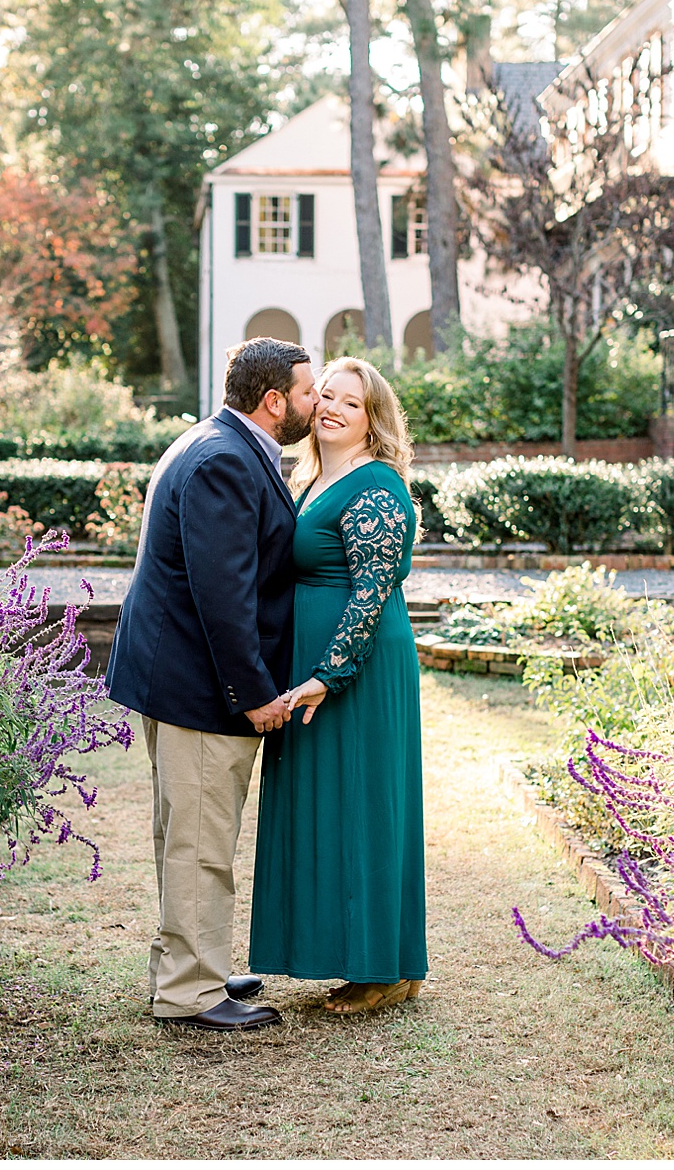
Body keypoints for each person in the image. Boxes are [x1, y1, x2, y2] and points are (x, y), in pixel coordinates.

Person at [105, 336, 319, 1032]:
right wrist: (253, 693)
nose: (317, 402)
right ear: (275, 401)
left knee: (188, 835)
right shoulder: (225, 460)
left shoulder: (218, 443)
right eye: (309, 392)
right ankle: (191, 992)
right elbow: (223, 596)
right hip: (197, 687)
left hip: (181, 677)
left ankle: (190, 965)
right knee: (199, 841)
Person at [248, 356, 427, 1013]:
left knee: (365, 806)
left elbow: (371, 592)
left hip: (359, 668)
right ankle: (367, 956)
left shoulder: (374, 484)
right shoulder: (315, 477)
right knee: (332, 805)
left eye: (352, 402)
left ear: (373, 420)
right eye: (326, 395)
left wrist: (330, 673)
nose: (333, 408)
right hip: (318, 665)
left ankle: (382, 968)